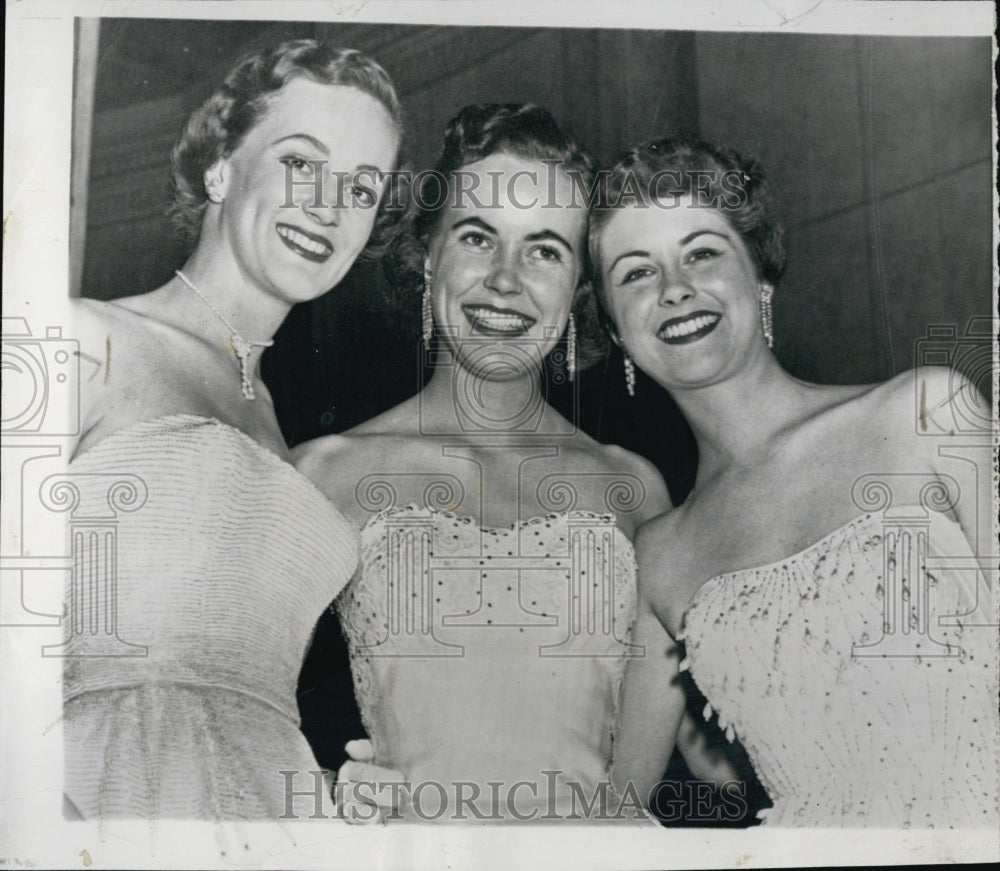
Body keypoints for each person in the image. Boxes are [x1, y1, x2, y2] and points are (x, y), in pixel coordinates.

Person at [590, 137, 998, 827]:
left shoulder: (928, 412)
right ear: (614, 331)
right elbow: (606, 809)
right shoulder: (660, 555)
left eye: (703, 252)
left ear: (760, 278)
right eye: (636, 273)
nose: (675, 287)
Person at [294, 104, 672, 823]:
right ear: (428, 253)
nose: (505, 279)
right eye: (478, 236)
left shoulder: (634, 488)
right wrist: (322, 785)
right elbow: (220, 695)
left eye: (544, 250)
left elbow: (703, 742)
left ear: (577, 290)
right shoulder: (324, 472)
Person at [63, 40, 402, 820]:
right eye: (301, 162)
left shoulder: (280, 423)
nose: (329, 205)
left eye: (362, 186)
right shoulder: (84, 340)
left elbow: (237, 702)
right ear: (219, 166)